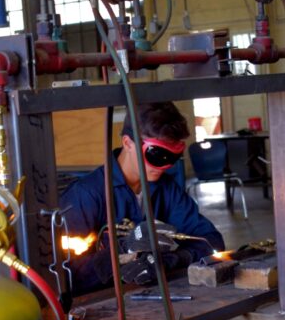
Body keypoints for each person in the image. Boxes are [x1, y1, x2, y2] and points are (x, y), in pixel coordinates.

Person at [61, 102, 225, 294]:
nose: (164, 166)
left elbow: (211, 241)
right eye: (157, 155)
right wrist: (121, 252)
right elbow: (66, 275)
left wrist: (174, 259)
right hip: (101, 305)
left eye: (173, 157)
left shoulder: (166, 188)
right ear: (128, 143)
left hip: (152, 298)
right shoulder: (86, 195)